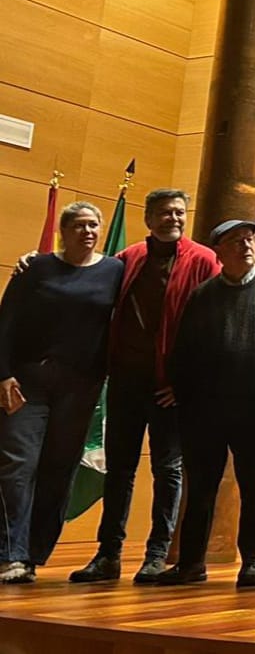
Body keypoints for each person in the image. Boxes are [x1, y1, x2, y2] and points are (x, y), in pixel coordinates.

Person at [68, 188, 220, 585]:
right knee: (119, 469)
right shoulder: (126, 259)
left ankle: (156, 554)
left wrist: (187, 382)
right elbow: (85, 281)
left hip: (170, 387)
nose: (174, 218)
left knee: (167, 470)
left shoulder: (204, 260)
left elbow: (215, 326)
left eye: (180, 212)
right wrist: (34, 262)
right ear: (149, 219)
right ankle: (108, 555)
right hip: (125, 382)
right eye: (165, 213)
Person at [158, 219, 255, 588]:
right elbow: (184, 350)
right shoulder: (202, 295)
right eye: (236, 241)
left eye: (249, 239)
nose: (246, 245)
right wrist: (186, 397)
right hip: (205, 412)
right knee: (201, 488)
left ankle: (252, 561)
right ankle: (191, 563)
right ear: (219, 251)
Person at [0, 203, 123, 584]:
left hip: (80, 388)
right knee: (17, 465)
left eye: (94, 225)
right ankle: (10, 553)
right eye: (80, 225)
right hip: (29, 382)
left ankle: (33, 554)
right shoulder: (35, 268)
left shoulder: (115, 271)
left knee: (59, 470)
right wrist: (3, 375)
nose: (88, 232)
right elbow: (6, 322)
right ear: (64, 231)